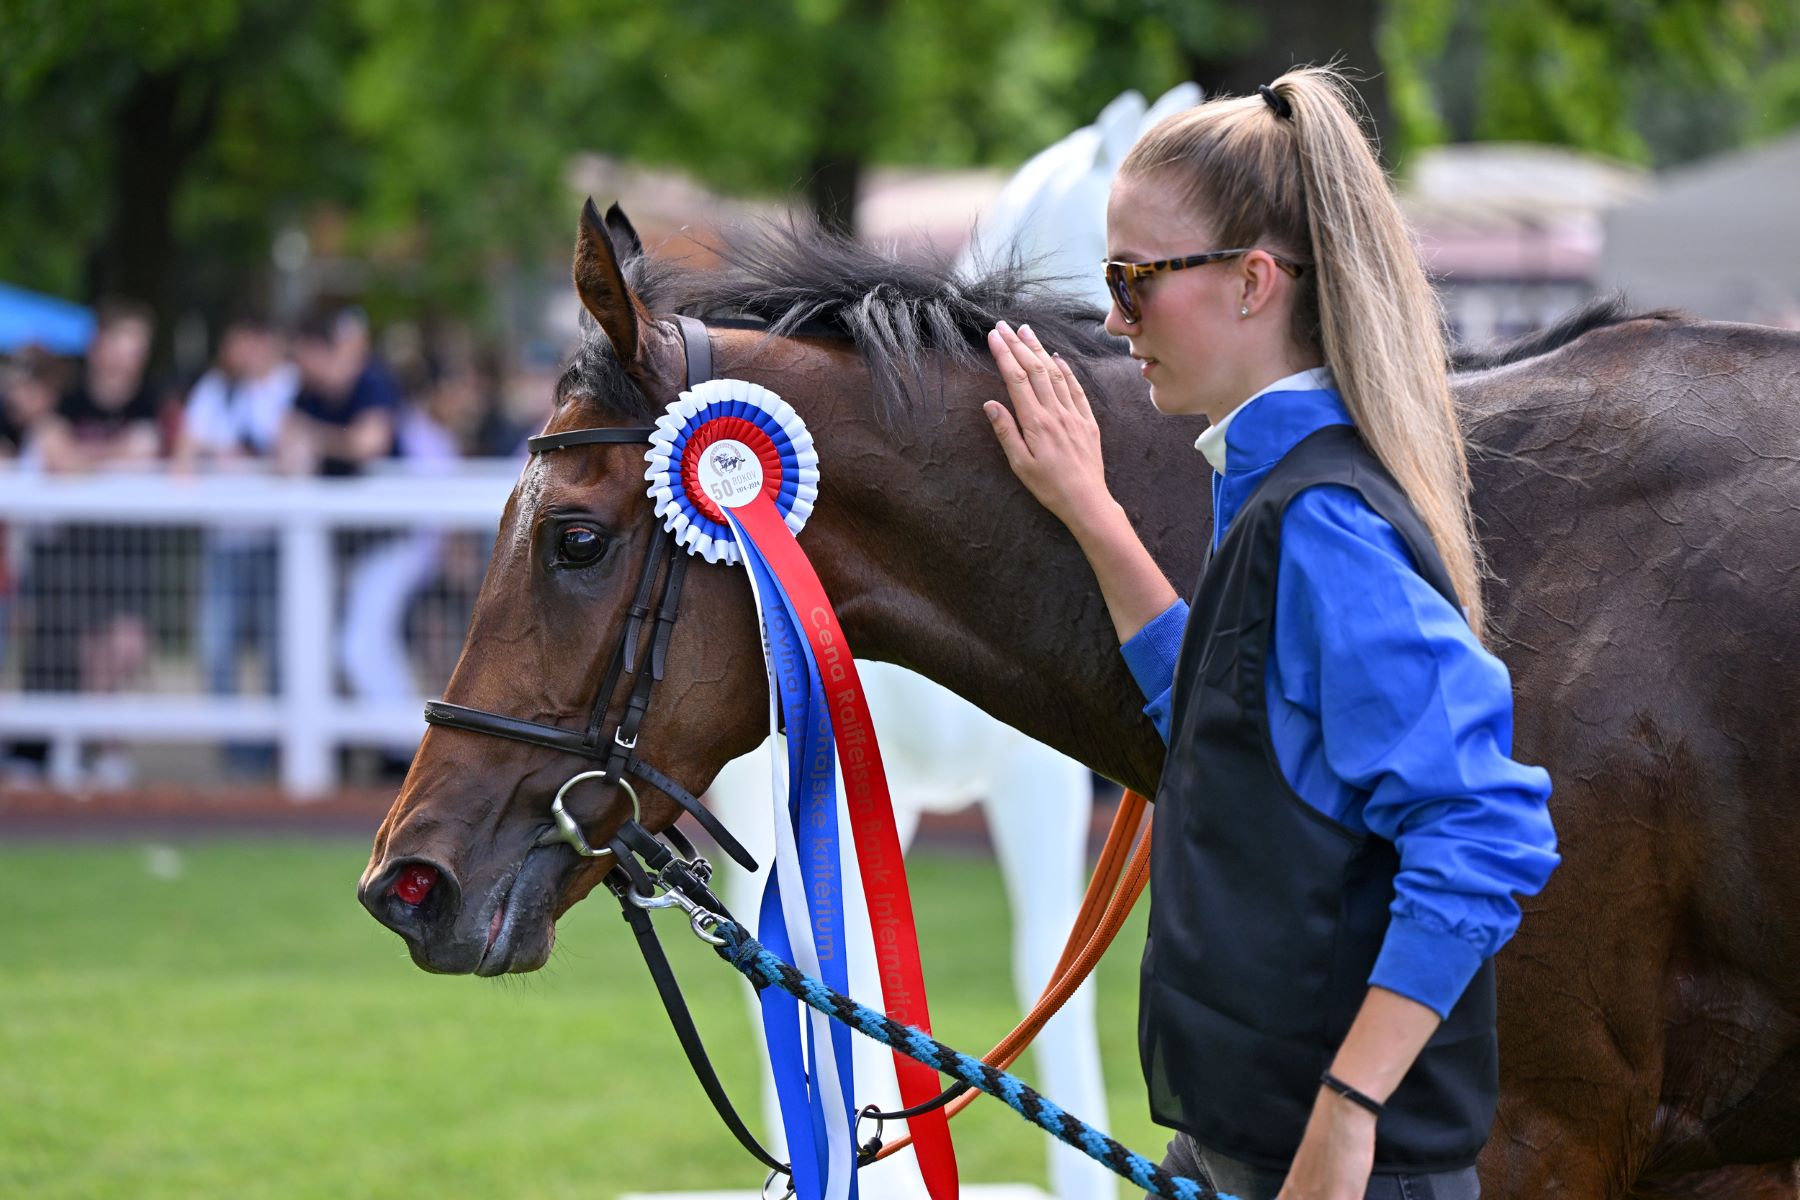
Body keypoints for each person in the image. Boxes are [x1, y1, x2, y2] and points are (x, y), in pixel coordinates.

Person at [981, 67, 1559, 1200]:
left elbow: (1486, 828)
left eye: (1134, 279)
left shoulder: (1323, 521)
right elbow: (1227, 718)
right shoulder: (1270, 488)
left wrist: (1347, 1117)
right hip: (1250, 1150)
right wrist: (1093, 514)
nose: (1110, 319)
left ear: (1252, 283)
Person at [176, 311, 300, 776]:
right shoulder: (215, 389)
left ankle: (274, 747)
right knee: (217, 646)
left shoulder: (292, 386)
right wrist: (220, 455)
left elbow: (293, 452)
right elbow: (187, 451)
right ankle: (232, 751)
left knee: (276, 647)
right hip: (226, 538)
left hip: (276, 540)